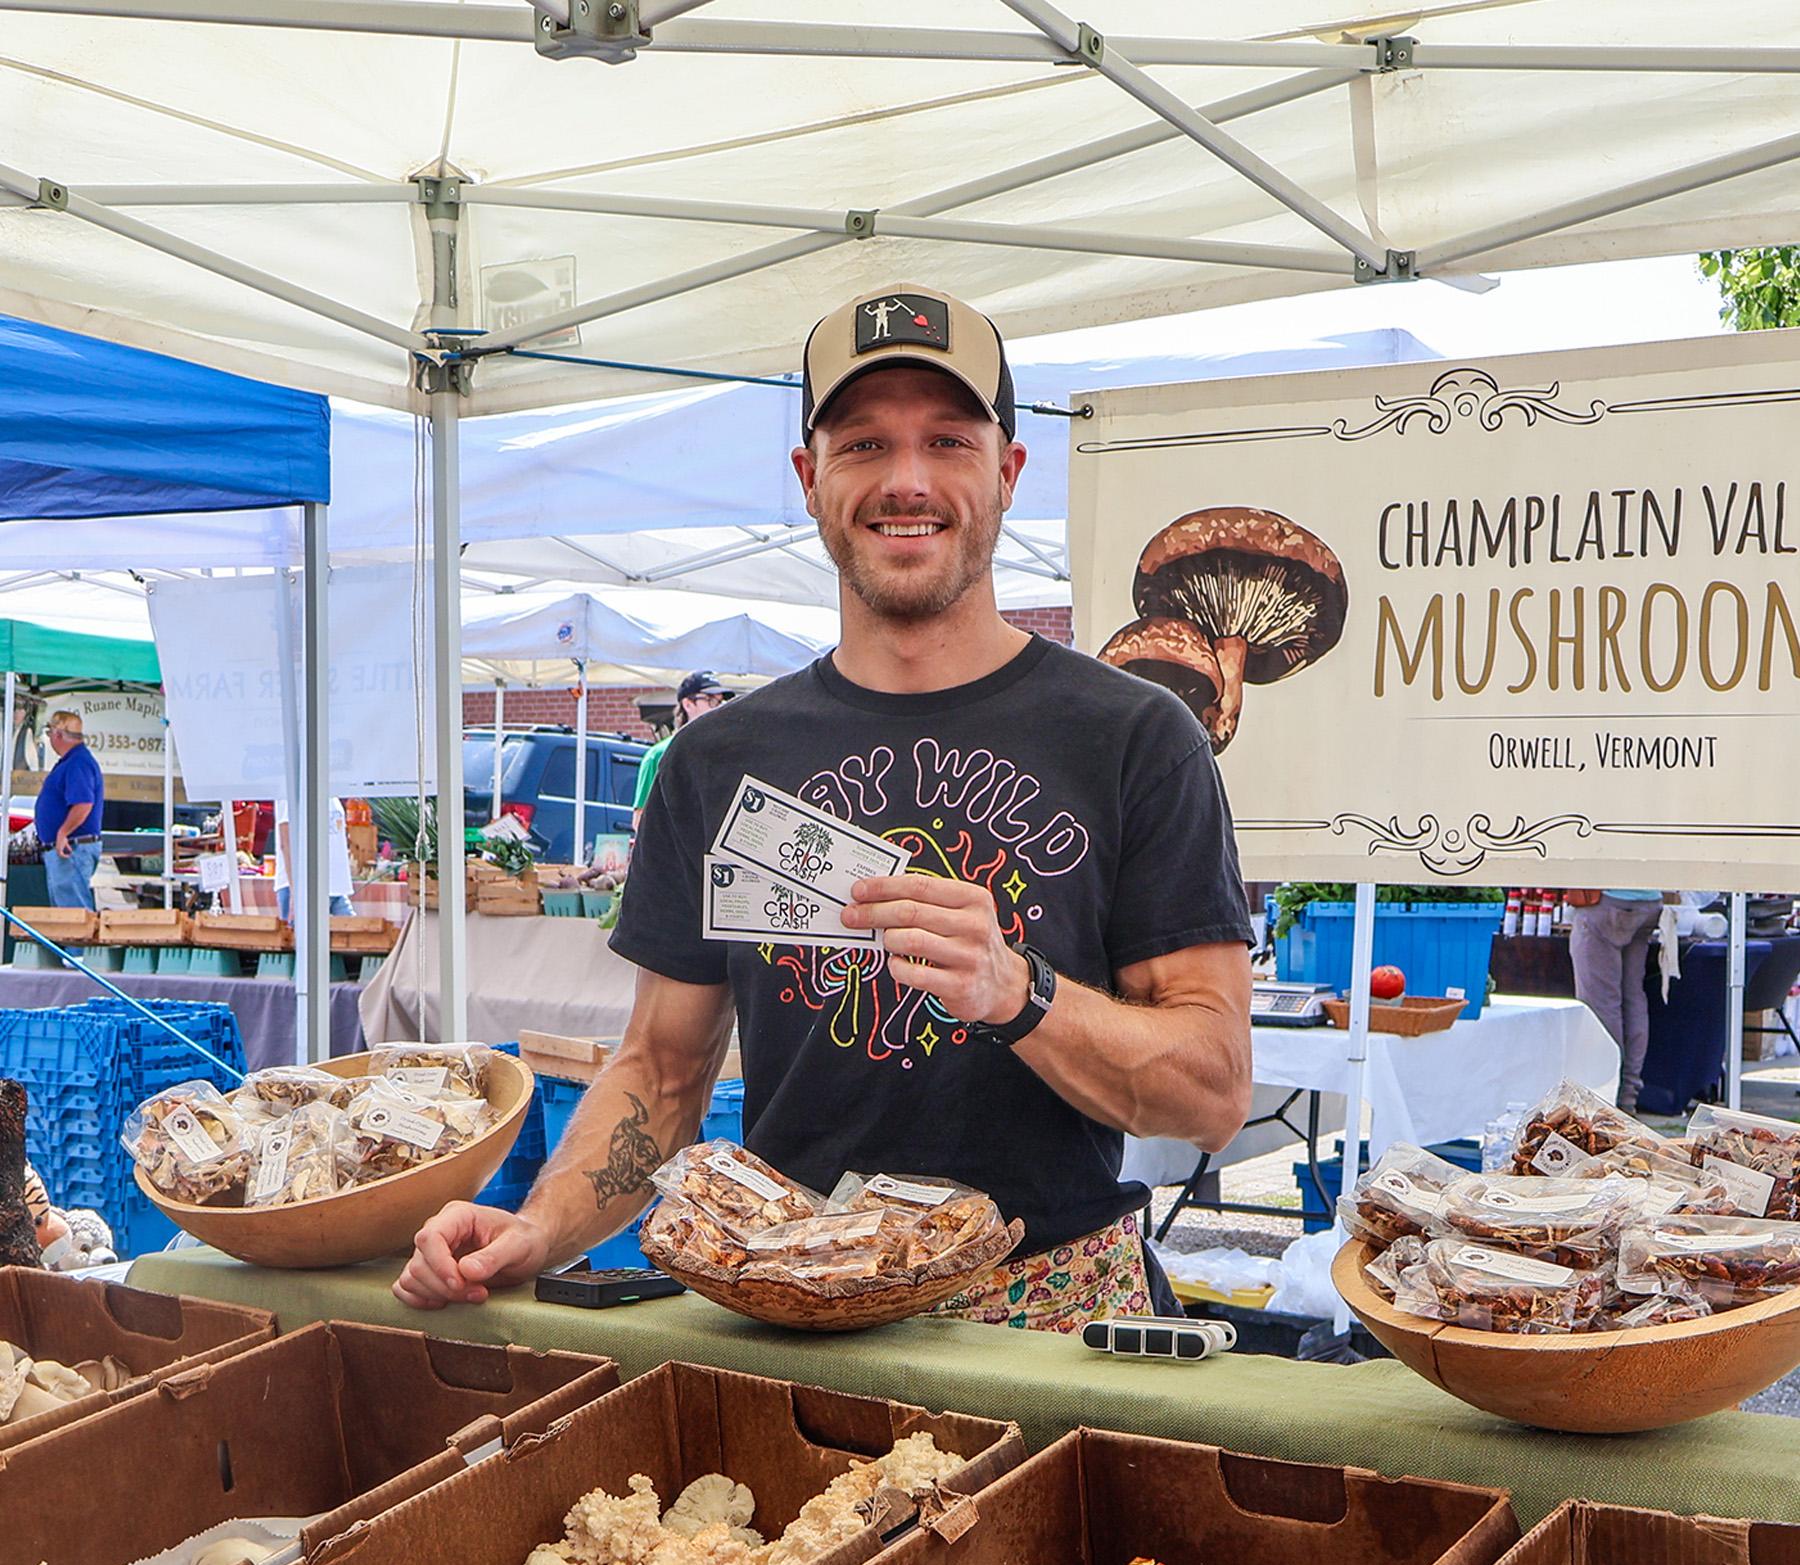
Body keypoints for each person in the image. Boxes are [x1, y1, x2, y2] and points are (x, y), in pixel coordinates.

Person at [396, 283, 1253, 1328]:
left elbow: (1210, 1092)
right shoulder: (717, 760)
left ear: (1008, 474)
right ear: (809, 478)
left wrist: (1017, 990)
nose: (906, 480)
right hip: (791, 1317)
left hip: (1051, 1322)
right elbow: (662, 1070)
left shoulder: (1134, 739)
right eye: (863, 444)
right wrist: (538, 1226)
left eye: (948, 440)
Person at [1569, 888, 1675, 1112]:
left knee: (1601, 1005)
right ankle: (1627, 1096)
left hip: (1605, 899)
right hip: (1648, 899)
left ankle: (1604, 1096)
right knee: (1633, 998)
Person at [631, 671, 732, 833]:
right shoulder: (659, 755)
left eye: (721, 701)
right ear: (688, 704)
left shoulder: (723, 753)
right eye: (710, 700)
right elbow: (641, 819)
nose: (718, 707)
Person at [35, 710, 105, 910]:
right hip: (70, 847)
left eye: (50, 735)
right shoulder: (74, 761)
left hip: (72, 848)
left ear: (57, 735)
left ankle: (77, 944)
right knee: (65, 917)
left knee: (72, 916)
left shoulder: (78, 762)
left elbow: (83, 803)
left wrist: (62, 833)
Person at [273, 790, 356, 920]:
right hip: (305, 886)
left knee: (353, 935)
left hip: (334, 886)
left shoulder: (331, 790)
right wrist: (295, 892)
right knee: (300, 938)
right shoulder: (289, 790)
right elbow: (286, 842)